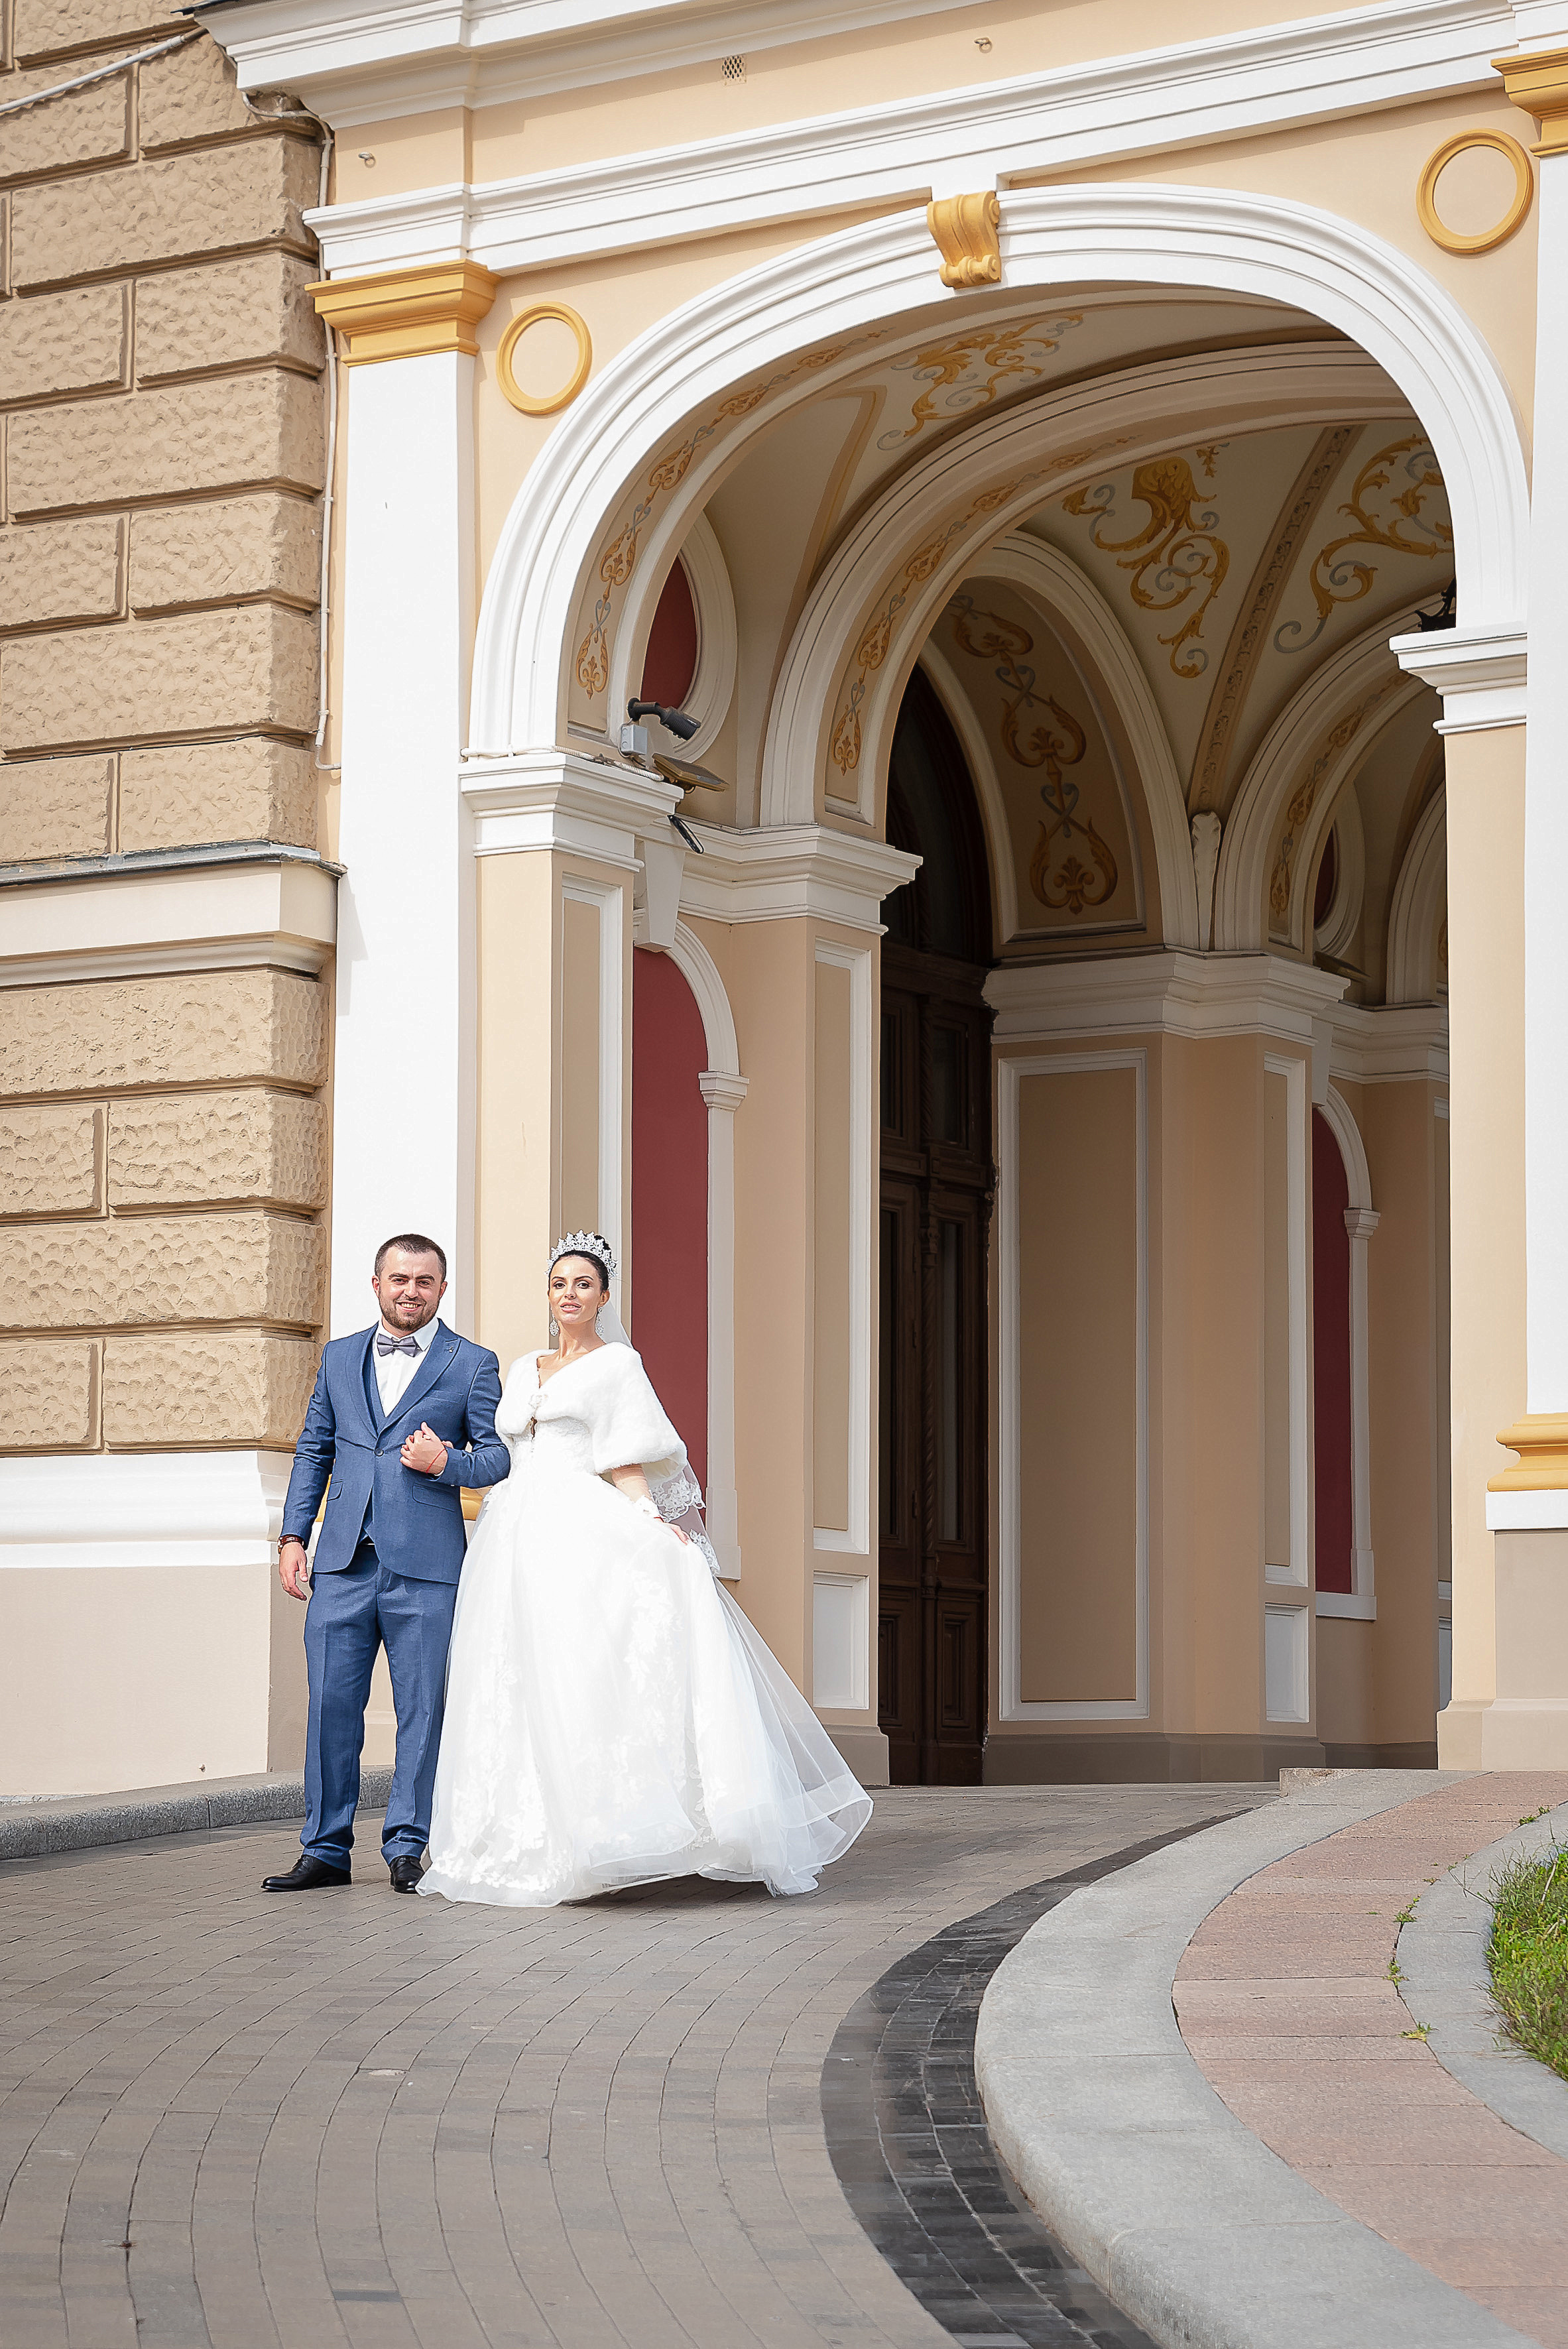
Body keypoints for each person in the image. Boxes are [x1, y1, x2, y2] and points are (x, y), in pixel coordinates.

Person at [420, 1231, 871, 1907]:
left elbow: (626, 1459)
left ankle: (606, 1831)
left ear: (603, 1296)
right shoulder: (521, 1367)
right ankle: (520, 1834)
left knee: (580, 1667)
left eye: (582, 1284)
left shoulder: (617, 1365)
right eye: (558, 1284)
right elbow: (503, 1452)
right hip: (511, 1529)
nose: (569, 1294)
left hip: (576, 1521)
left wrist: (651, 1523)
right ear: (547, 1294)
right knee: (510, 1674)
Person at [263, 1234, 510, 1894]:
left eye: (425, 1281)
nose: (411, 1291)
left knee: (422, 1712)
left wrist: (446, 1464)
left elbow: (497, 1459)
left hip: (426, 1570)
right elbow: (313, 1451)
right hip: (341, 1564)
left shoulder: (472, 1364)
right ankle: (324, 1849)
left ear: (442, 1289)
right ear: (376, 1284)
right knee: (330, 1710)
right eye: (399, 1279)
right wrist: (292, 1538)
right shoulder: (340, 1358)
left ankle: (407, 1846)